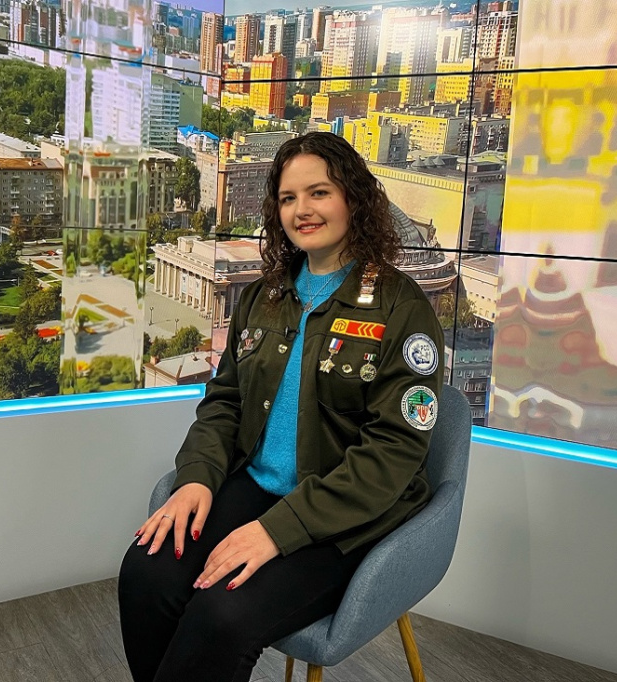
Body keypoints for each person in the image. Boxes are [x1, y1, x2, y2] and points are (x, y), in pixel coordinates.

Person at [118, 132, 444, 682]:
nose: (302, 210)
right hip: (258, 487)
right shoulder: (263, 296)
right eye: (289, 198)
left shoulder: (401, 308)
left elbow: (393, 453)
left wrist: (277, 531)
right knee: (145, 575)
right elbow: (224, 401)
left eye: (319, 193)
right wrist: (196, 477)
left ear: (353, 198)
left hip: (345, 515)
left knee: (222, 615)